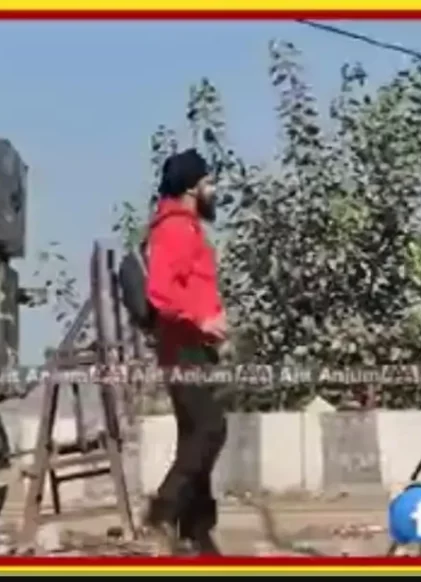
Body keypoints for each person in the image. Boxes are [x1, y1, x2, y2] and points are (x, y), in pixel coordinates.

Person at [143, 149, 228, 556]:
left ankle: (196, 531)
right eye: (209, 182)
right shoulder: (174, 228)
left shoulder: (188, 227)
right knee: (211, 430)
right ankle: (161, 514)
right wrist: (203, 320)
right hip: (182, 347)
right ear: (193, 187)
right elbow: (161, 292)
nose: (214, 190)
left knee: (196, 435)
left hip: (195, 346)